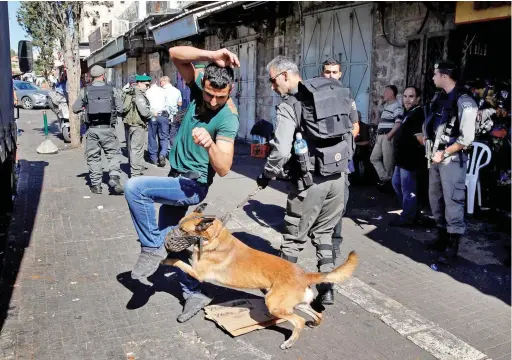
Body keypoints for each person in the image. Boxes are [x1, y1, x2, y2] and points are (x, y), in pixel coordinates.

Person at [124, 45, 240, 323]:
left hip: (192, 185)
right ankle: (194, 293)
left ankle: (150, 247)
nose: (213, 101)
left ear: (231, 91)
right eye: (210, 94)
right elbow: (175, 53)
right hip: (175, 176)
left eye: (220, 97)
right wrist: (212, 56)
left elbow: (224, 168)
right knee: (173, 243)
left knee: (134, 188)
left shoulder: (228, 118)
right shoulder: (200, 86)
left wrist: (210, 144)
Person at [257, 56, 355, 306]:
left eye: (272, 80)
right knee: (324, 234)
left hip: (309, 180)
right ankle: (327, 289)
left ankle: (281, 290)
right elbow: (351, 133)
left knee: (293, 238)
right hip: (338, 177)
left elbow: (280, 150)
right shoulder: (330, 93)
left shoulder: (291, 104)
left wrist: (267, 174)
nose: (272, 86)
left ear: (286, 75)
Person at [421, 61, 477, 265]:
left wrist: (444, 153)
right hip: (436, 156)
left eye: (435, 74)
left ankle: (452, 248)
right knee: (435, 198)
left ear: (445, 76)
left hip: (451, 159)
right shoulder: (440, 97)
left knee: (453, 201)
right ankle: (441, 238)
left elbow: (466, 139)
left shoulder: (465, 102)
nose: (433, 77)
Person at [319, 58, 359, 304]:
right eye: (327, 72)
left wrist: (340, 143)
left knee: (337, 214)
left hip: (341, 165)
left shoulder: (346, 96)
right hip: (318, 168)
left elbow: (355, 127)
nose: (331, 75)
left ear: (340, 73)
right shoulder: (313, 95)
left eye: (335, 72)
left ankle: (330, 269)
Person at [72, 65, 123, 195]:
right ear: (103, 75)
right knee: (113, 154)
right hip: (109, 129)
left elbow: (75, 108)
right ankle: (114, 177)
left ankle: (96, 186)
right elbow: (121, 109)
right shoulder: (112, 90)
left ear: (91, 77)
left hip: (93, 130)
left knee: (94, 157)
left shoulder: (85, 91)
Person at [389, 86, 425, 227]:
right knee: (397, 184)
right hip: (402, 160)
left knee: (407, 189)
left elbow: (421, 138)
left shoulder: (418, 114)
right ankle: (412, 212)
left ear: (417, 99)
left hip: (410, 161)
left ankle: (408, 218)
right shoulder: (408, 113)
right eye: (405, 96)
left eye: (411, 96)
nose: (407, 100)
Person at [370, 85, 404, 189]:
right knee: (374, 158)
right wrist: (377, 109)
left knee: (388, 162)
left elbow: (398, 123)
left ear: (391, 93)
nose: (383, 94)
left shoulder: (397, 106)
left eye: (385, 92)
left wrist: (389, 136)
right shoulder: (386, 107)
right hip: (380, 136)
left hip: (387, 136)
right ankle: (387, 179)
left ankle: (390, 185)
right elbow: (377, 122)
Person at [119, 74, 152, 178]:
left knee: (131, 149)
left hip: (128, 124)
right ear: (139, 83)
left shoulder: (128, 92)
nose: (148, 87)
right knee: (137, 149)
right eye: (146, 85)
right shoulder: (139, 94)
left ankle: (133, 168)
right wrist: (153, 114)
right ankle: (135, 173)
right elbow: (144, 112)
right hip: (137, 125)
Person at [145, 79, 170, 167]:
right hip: (163, 115)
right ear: (156, 82)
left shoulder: (147, 92)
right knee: (164, 137)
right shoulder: (163, 91)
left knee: (152, 137)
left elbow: (146, 106)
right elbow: (168, 104)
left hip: (152, 116)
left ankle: (153, 158)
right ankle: (162, 154)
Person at [160, 76, 183, 150]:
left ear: (164, 81)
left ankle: (164, 151)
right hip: (175, 116)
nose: (160, 84)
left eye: (161, 82)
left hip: (164, 115)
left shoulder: (161, 91)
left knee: (164, 135)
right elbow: (180, 103)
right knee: (173, 134)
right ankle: (174, 151)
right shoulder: (177, 91)